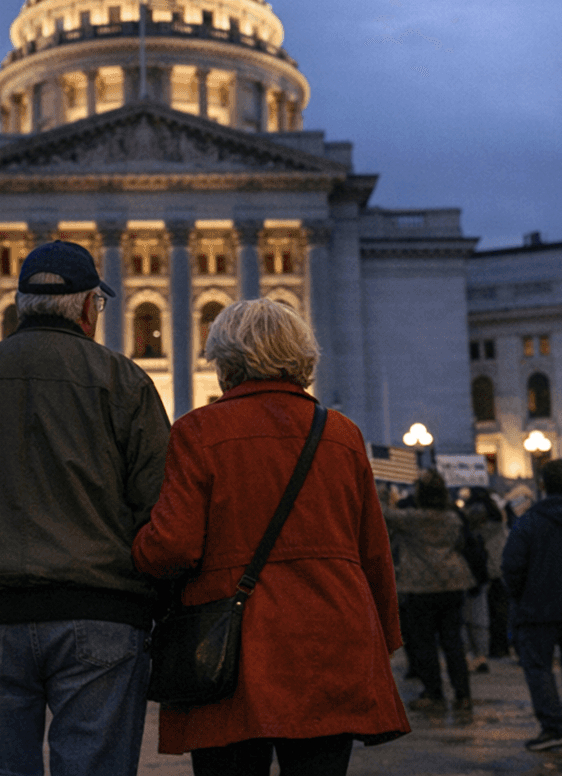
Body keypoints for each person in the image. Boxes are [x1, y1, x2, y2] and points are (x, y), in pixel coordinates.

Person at [0, 240, 171, 776]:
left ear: (22, 304)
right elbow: (159, 508)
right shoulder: (126, 381)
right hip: (101, 613)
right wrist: (145, 597)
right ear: (90, 308)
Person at [134, 298, 408, 776]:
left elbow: (174, 545)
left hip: (233, 647)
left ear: (225, 360)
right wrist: (382, 638)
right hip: (333, 637)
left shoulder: (198, 431)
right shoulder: (343, 434)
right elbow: (373, 551)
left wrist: (134, 547)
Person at [500, 458, 562, 752]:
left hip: (536, 608)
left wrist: (519, 595)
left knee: (539, 667)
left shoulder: (529, 521)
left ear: (541, 485)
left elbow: (511, 565)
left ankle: (553, 727)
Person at [382, 470, 476, 714]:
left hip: (420, 585)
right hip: (453, 582)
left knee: (424, 642)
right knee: (453, 641)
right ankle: (463, 694)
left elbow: (384, 514)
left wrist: (381, 491)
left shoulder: (410, 518)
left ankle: (434, 693)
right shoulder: (453, 518)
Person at [464, 486, 511, 660]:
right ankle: (500, 647)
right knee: (499, 611)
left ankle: (480, 649)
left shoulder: (472, 522)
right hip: (498, 568)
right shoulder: (498, 520)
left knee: (478, 614)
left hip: (479, 570)